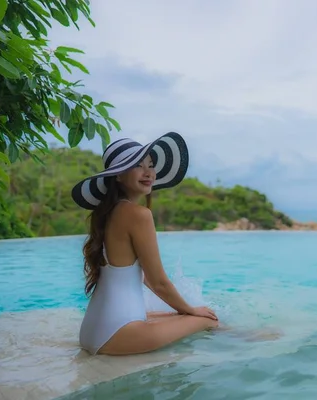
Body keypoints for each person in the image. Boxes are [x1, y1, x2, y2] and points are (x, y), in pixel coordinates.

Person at [71, 131, 220, 356]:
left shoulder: (108, 213)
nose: (148, 172)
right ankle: (248, 341)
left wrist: (184, 312)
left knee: (184, 315)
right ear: (118, 176)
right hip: (117, 334)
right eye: (138, 165)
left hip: (91, 332)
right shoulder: (138, 214)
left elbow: (145, 280)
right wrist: (191, 310)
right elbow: (157, 282)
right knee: (209, 321)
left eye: (150, 165)